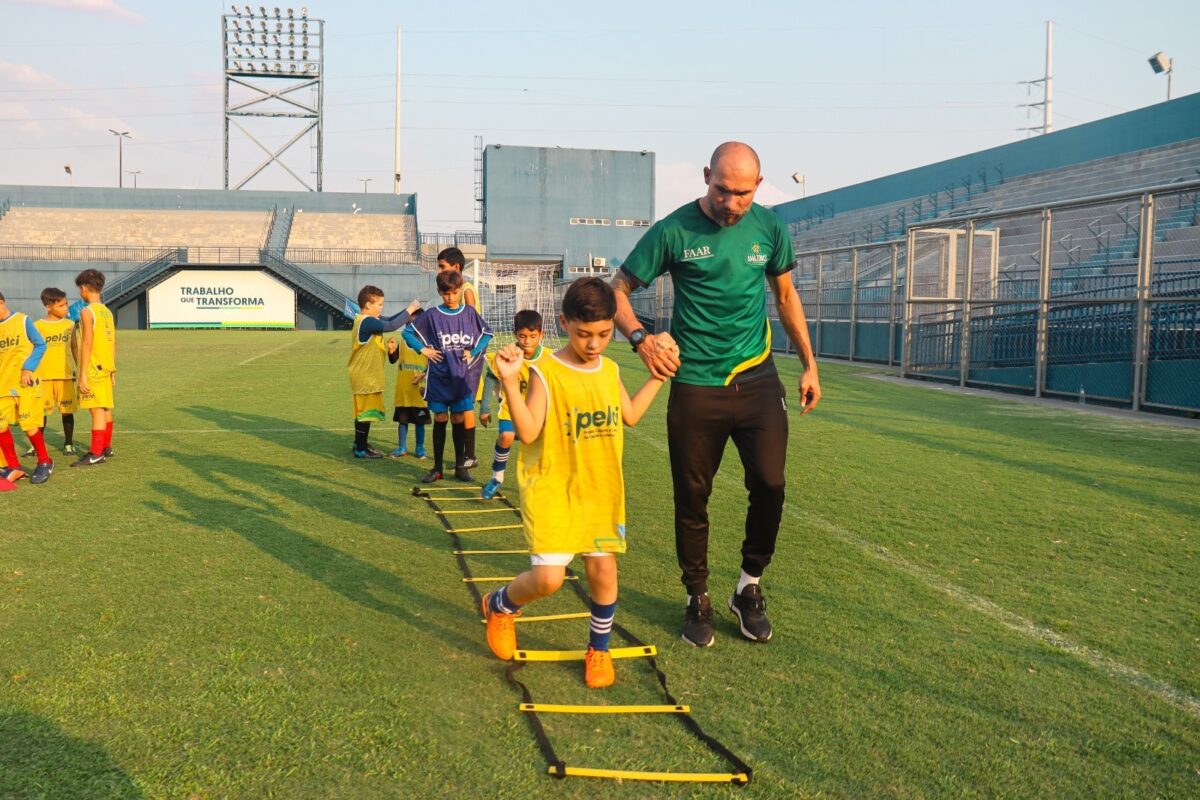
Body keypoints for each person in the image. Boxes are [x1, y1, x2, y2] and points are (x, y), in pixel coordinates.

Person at [612, 141, 822, 647]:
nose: (732, 204)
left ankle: (749, 587)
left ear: (758, 184)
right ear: (706, 176)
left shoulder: (770, 228)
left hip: (756, 376)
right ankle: (697, 596)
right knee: (693, 496)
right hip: (694, 383)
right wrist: (641, 341)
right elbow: (616, 289)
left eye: (743, 194)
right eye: (723, 191)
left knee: (770, 485)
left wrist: (810, 363)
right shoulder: (674, 230)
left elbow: (787, 296)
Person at [480, 278, 667, 688]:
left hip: (600, 491)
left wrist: (659, 376)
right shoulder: (545, 371)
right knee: (549, 580)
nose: (595, 343)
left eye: (604, 334)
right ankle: (500, 604)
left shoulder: (611, 368)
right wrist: (510, 381)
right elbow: (527, 432)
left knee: (604, 571)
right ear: (564, 324)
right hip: (552, 490)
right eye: (585, 334)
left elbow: (630, 415)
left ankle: (598, 650)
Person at [402, 269, 492, 483]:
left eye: (454, 293)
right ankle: (437, 467)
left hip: (461, 378)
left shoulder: (469, 313)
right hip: (439, 377)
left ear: (460, 290)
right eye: (446, 294)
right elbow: (407, 333)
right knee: (440, 418)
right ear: (439, 292)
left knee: (459, 418)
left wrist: (474, 350)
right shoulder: (432, 315)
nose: (450, 298)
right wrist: (423, 350)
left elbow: (487, 334)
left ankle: (461, 467)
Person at [478, 309, 545, 500]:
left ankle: (541, 483)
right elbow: (491, 376)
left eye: (533, 336)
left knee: (542, 446)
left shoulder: (548, 358)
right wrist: (484, 408)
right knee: (506, 436)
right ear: (515, 335)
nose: (527, 341)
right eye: (522, 336)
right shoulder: (508, 354)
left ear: (541, 335)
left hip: (536, 411)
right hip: (510, 407)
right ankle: (496, 478)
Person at [348, 285, 421, 459]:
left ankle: (361, 443)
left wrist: (407, 311)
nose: (381, 308)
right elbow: (390, 325)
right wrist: (410, 309)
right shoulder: (367, 321)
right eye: (379, 304)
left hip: (367, 375)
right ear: (368, 304)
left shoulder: (369, 319)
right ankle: (360, 448)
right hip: (365, 376)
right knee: (365, 413)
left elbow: (391, 319)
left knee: (366, 411)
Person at [437, 247, 484, 469]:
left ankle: (470, 455)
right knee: (463, 406)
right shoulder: (460, 290)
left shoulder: (465, 290)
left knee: (466, 405)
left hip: (467, 353)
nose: (439, 270)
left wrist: (467, 348)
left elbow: (470, 318)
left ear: (456, 268)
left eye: (442, 266)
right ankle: (466, 456)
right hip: (461, 352)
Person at [0, 291, 48, 488]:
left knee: (28, 425)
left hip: (25, 385)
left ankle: (45, 461)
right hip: (3, 385)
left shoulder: (22, 320)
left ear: (1, 302)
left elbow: (40, 345)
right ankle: (14, 466)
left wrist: (28, 367)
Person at [71, 269, 118, 468]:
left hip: (93, 368)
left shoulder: (86, 311)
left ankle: (96, 453)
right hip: (105, 367)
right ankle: (106, 447)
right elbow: (113, 342)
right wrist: (113, 370)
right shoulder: (106, 311)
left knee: (96, 410)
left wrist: (82, 375)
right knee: (105, 407)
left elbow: (87, 343)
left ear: (83, 289)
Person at [30, 288, 79, 457]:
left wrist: (79, 366)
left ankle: (68, 443)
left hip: (65, 375)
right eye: (61, 305)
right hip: (43, 377)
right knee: (40, 413)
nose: (66, 308)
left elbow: (74, 346)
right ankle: (37, 445)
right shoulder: (37, 326)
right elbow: (33, 349)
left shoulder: (70, 324)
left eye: (66, 304)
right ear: (48, 307)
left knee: (67, 411)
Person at [386, 308, 430, 460]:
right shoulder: (402, 343)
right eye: (407, 324)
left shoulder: (427, 346)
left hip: (420, 393)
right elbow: (392, 360)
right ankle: (402, 447)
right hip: (404, 392)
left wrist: (423, 375)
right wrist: (391, 350)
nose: (409, 327)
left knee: (420, 422)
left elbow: (433, 366)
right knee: (402, 421)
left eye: (412, 324)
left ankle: (420, 447)